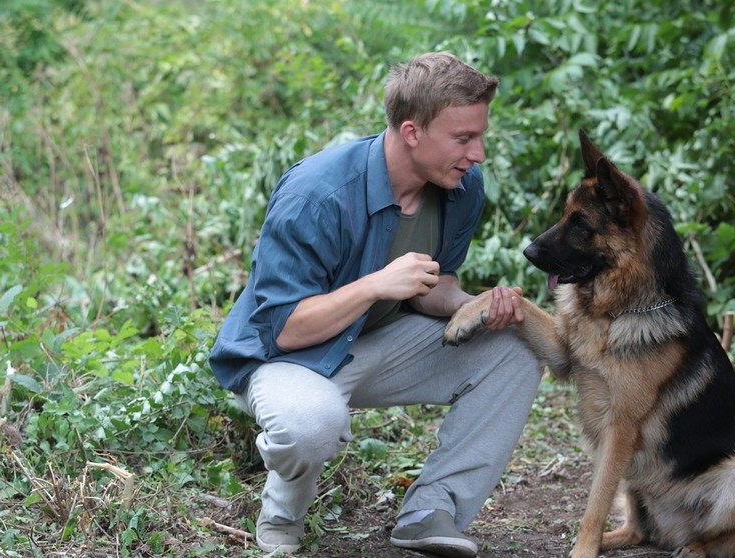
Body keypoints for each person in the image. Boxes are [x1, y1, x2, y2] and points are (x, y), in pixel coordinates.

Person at [209, 52, 541, 558]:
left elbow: (434, 285)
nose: (478, 154)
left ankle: (431, 510)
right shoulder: (315, 195)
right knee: (311, 422)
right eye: (463, 139)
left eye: (480, 136)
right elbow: (285, 330)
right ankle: (282, 515)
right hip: (284, 358)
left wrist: (473, 304)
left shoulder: (460, 186)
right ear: (412, 132)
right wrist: (375, 285)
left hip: (377, 344)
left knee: (513, 349)